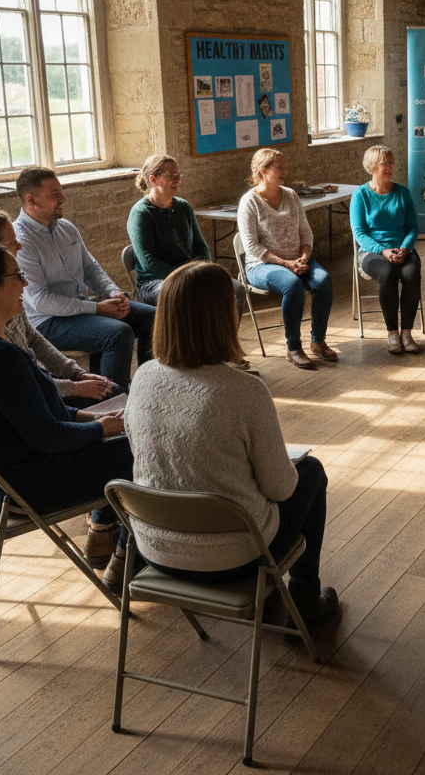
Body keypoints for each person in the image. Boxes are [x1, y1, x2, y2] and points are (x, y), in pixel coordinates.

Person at [123, 261, 337, 626]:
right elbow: (282, 488)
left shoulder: (142, 378)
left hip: (155, 549)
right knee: (311, 471)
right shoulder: (244, 391)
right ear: (223, 318)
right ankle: (304, 601)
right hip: (234, 558)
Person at [0, 243, 132, 588]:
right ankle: (128, 558)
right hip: (27, 485)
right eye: (18, 276)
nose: (25, 285)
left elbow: (35, 413)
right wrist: (101, 429)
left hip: (3, 476)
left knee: (123, 432)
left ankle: (110, 541)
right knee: (144, 451)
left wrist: (88, 419)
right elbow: (49, 437)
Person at [0, 208, 118, 407]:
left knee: (111, 393)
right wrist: (75, 388)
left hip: (28, 382)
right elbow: (18, 383)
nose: (19, 245)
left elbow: (31, 337)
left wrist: (76, 374)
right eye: (12, 241)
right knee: (113, 398)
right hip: (0, 401)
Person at [14, 167, 156, 389]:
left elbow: (90, 268)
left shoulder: (67, 228)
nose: (63, 198)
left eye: (61, 191)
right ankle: (112, 401)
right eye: (55, 194)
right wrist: (98, 309)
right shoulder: (21, 241)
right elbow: (40, 301)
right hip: (46, 322)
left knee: (155, 317)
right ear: (32, 200)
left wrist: (114, 292)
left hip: (80, 309)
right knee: (117, 334)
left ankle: (149, 387)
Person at [237, 149, 335, 370]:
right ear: (263, 171)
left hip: (297, 260)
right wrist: (285, 264)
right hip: (262, 265)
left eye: (284, 166)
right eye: (279, 167)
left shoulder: (290, 195)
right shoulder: (249, 202)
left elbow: (306, 233)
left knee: (323, 280)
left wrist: (303, 257)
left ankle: (318, 341)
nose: (285, 171)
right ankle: (293, 348)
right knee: (292, 284)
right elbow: (252, 246)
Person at [127, 154, 249, 323]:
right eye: (171, 175)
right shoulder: (141, 213)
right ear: (153, 180)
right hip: (153, 283)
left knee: (235, 288)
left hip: (190, 274)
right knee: (187, 294)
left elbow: (201, 247)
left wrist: (202, 271)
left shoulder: (183, 206)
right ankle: (191, 347)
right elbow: (150, 262)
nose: (178, 179)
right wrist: (187, 276)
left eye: (179, 174)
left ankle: (222, 345)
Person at [350, 145, 422, 354]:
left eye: (391, 163)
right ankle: (392, 332)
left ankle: (406, 332)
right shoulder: (361, 195)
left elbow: (412, 227)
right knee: (388, 273)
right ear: (373, 167)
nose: (390, 167)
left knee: (411, 274)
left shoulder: (402, 192)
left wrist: (405, 248)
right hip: (371, 251)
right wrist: (383, 251)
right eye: (385, 163)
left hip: (403, 249)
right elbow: (360, 233)